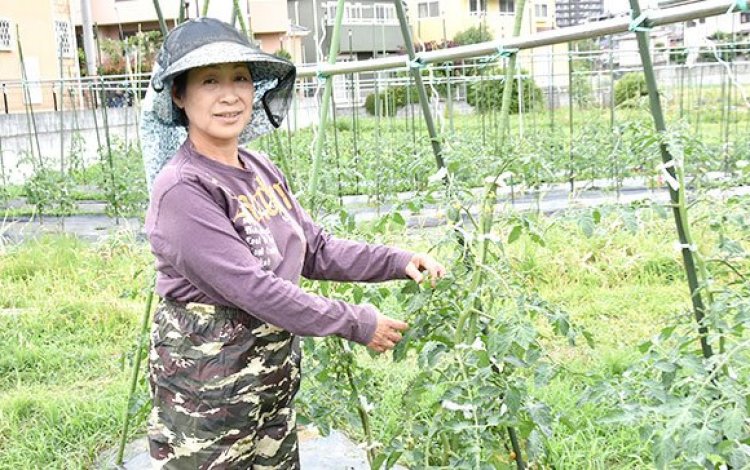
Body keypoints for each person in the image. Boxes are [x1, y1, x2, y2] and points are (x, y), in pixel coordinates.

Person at [140, 18, 446, 469]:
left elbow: (314, 247)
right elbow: (254, 290)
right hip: (206, 401)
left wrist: (398, 261)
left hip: (267, 385)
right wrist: (358, 322)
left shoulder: (258, 167)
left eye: (240, 78)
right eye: (209, 81)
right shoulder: (183, 189)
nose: (230, 95)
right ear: (179, 96)